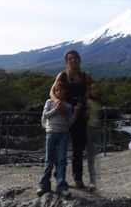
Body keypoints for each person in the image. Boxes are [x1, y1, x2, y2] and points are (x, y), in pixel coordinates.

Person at [49, 49, 96, 190]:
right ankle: (59, 177)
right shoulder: (62, 76)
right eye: (70, 59)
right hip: (63, 115)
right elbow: (52, 91)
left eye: (75, 58)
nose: (73, 61)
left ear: (79, 60)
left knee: (78, 148)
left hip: (79, 117)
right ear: (66, 62)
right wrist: (57, 102)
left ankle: (78, 178)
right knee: (59, 148)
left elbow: (95, 90)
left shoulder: (85, 76)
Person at [38, 81, 81, 198]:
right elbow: (45, 116)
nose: (59, 92)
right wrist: (56, 110)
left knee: (62, 160)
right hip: (51, 132)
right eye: (56, 90)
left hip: (63, 134)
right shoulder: (49, 102)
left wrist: (75, 114)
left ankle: (62, 186)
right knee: (49, 160)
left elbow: (68, 123)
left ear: (65, 91)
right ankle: (44, 185)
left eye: (61, 90)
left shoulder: (68, 106)